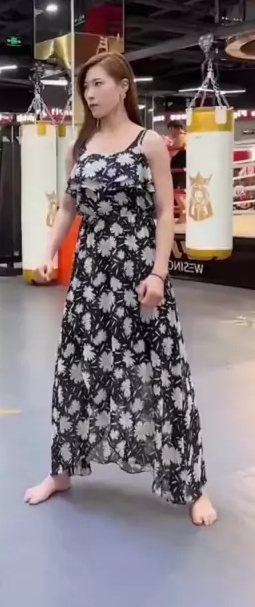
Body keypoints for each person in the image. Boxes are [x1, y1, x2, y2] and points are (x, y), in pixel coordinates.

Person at [24, 52, 217, 527]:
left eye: (97, 84)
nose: (89, 95)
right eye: (85, 87)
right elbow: (68, 209)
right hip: (91, 277)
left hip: (138, 273)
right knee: (77, 368)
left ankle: (192, 486)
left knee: (165, 372)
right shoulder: (81, 147)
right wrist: (48, 251)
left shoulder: (149, 144)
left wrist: (158, 274)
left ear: (123, 87)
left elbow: (164, 213)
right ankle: (61, 471)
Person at [167, 121, 187, 223]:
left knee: (178, 193)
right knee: (180, 193)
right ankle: (183, 215)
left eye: (171, 129)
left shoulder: (181, 137)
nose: (171, 132)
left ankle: (184, 215)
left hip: (179, 169)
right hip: (179, 168)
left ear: (175, 128)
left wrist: (168, 146)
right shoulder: (183, 137)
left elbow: (173, 153)